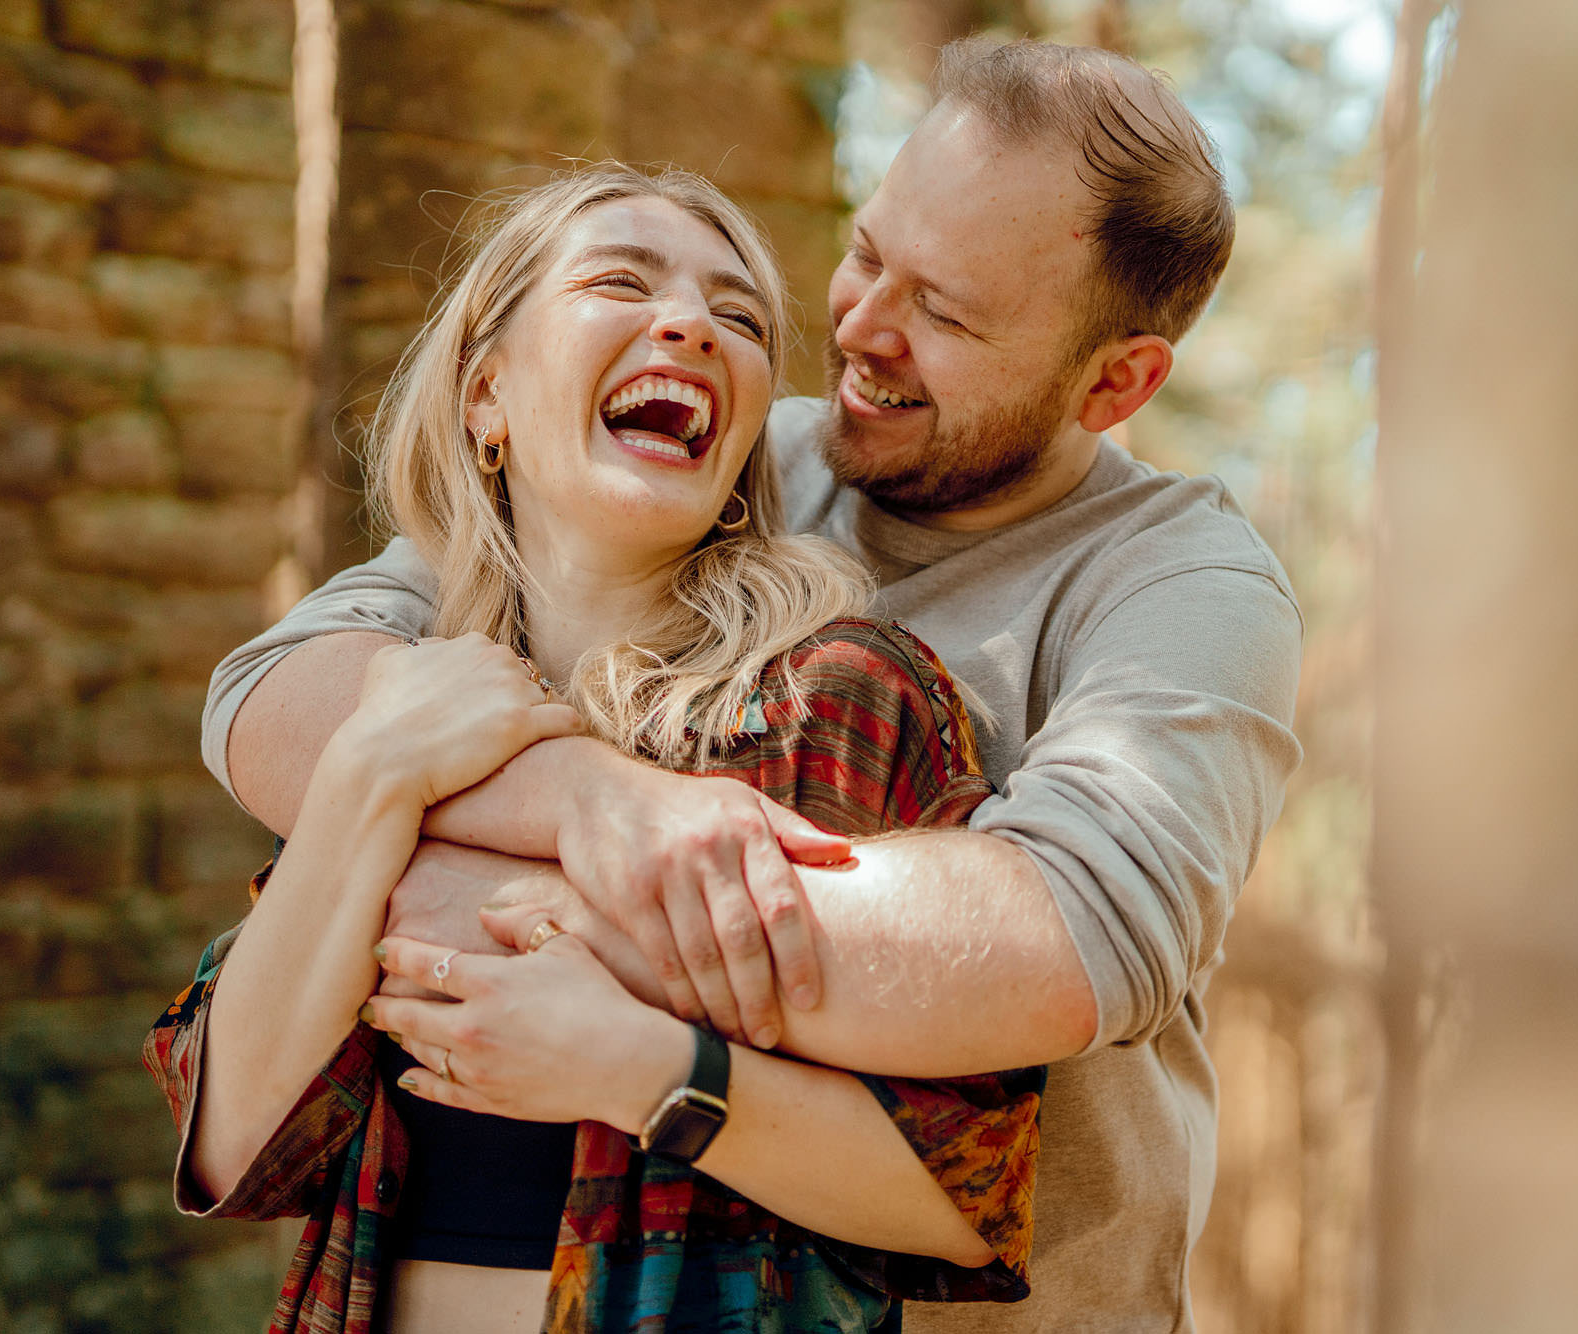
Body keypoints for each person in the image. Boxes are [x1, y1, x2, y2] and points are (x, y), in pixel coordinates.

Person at [202, 38, 1303, 1333]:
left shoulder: (1184, 587)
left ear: (1116, 382)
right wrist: (600, 808)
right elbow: (286, 687)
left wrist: (435, 883)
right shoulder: (738, 461)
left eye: (944, 312)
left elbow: (1057, 951)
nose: (860, 328)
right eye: (864, 252)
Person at [145, 164, 1041, 1334]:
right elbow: (232, 1145)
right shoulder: (401, 697)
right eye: (618, 279)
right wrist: (372, 773)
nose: (686, 323)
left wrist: (645, 1067)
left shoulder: (845, 696)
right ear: (486, 397)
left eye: (739, 316)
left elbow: (966, 1195)